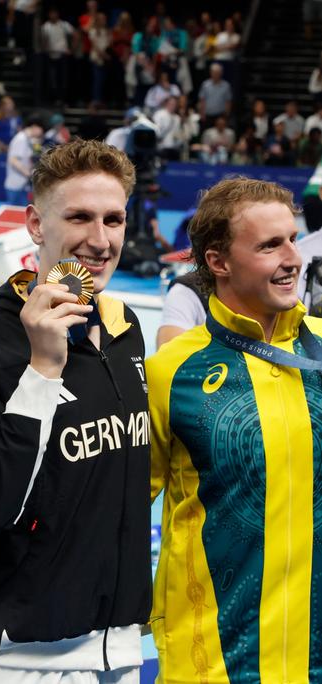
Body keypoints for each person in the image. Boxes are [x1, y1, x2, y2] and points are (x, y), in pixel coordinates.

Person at [0, 139, 151, 683]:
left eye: (113, 219)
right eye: (79, 217)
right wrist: (42, 369)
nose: (100, 240)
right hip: (19, 659)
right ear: (35, 223)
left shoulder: (124, 333)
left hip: (117, 650)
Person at [147, 177, 322, 683]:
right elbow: (122, 514)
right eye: (270, 245)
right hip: (213, 664)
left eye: (292, 238)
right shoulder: (171, 373)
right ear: (219, 262)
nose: (293, 257)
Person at [3, 113, 44, 206]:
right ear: (35, 126)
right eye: (42, 130)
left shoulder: (28, 139)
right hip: (15, 185)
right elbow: (13, 160)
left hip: (22, 185)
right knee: (13, 215)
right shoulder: (21, 139)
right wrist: (29, 174)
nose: (42, 133)